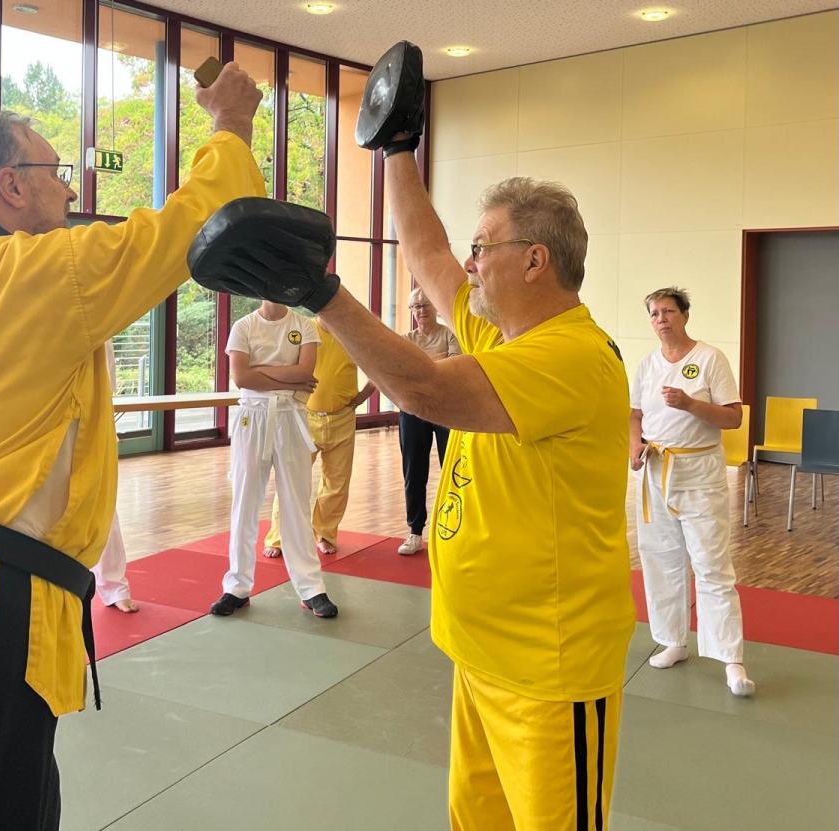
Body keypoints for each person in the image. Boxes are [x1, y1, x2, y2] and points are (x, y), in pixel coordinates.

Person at [0, 63, 266, 831]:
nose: (70, 190)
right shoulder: (38, 273)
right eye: (55, 172)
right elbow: (194, 222)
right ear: (10, 185)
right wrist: (230, 126)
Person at [215, 151, 636, 823]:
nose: (469, 262)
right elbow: (429, 254)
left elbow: (424, 388)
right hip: (481, 652)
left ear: (535, 260)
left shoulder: (573, 355)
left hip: (549, 671)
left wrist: (320, 293)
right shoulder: (499, 335)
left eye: (483, 248)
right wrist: (396, 147)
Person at [631, 287, 753, 697]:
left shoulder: (710, 358)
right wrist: (634, 446)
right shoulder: (647, 365)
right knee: (660, 558)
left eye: (668, 311)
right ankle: (674, 640)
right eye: (654, 313)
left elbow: (733, 418)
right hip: (655, 469)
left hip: (699, 471)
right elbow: (634, 415)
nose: (661, 319)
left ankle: (730, 657)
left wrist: (689, 404)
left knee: (711, 563)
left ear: (684, 315)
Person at [212, 300, 339, 619]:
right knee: (244, 503)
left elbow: (305, 372)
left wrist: (261, 372)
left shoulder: (304, 326)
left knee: (296, 503)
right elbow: (242, 378)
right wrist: (288, 380)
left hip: (289, 417)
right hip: (251, 417)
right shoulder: (244, 326)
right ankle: (236, 586)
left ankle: (311, 587)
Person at [263, 317, 374, 558]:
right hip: (305, 418)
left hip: (342, 418)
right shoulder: (304, 329)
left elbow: (378, 367)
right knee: (291, 479)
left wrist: (363, 395)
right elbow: (282, 364)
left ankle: (325, 533)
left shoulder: (351, 332)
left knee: (337, 484)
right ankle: (278, 537)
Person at [396, 286, 461, 555]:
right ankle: (415, 531)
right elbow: (401, 372)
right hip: (412, 410)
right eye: (416, 306)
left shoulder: (450, 334)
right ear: (412, 311)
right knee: (414, 471)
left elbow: (454, 367)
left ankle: (454, 529)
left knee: (452, 469)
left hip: (446, 410)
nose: (421, 311)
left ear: (435, 307)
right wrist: (436, 360)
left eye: (426, 305)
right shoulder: (405, 340)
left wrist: (420, 365)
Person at [94, 339, 138, 613]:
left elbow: (105, 387)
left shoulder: (100, 336)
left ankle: (113, 586)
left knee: (103, 508)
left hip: (90, 424)